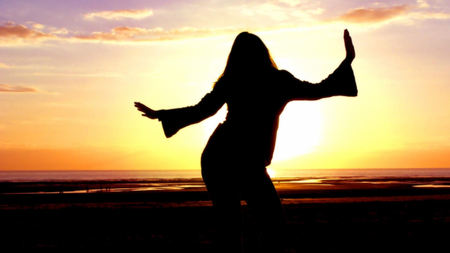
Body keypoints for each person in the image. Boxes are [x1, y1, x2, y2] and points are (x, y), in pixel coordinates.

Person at [135, 29, 357, 253]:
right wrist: (347, 61)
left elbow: (201, 110)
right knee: (246, 225)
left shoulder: (249, 80)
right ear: (263, 53)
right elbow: (320, 89)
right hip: (226, 160)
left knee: (256, 224)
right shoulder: (271, 81)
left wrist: (160, 115)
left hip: (225, 157)